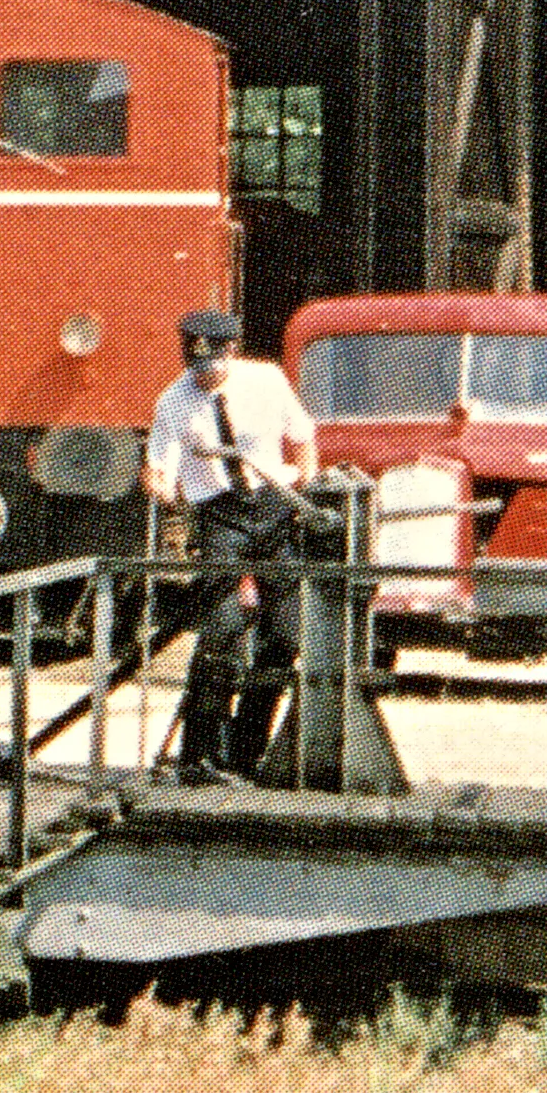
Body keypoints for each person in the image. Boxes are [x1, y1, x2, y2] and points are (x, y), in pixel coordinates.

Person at [142, 305, 320, 781]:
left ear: (232, 353)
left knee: (286, 635)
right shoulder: (173, 401)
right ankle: (200, 753)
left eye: (212, 365)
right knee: (222, 628)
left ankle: (247, 745)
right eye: (194, 366)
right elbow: (158, 462)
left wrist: (303, 480)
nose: (203, 375)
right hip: (221, 514)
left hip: (273, 505)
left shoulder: (266, 381)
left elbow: (302, 437)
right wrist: (160, 483)